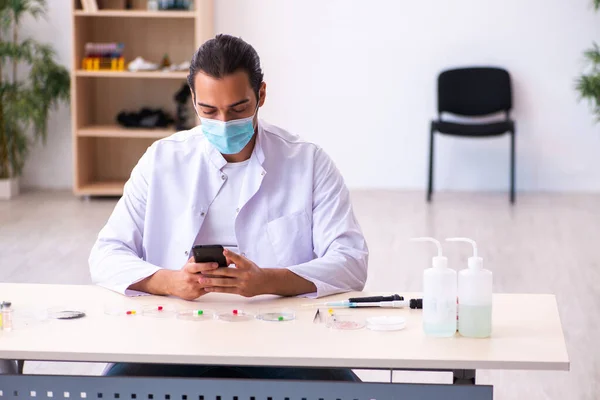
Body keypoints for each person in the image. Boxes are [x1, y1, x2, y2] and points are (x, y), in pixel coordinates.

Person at [89, 34, 368, 381]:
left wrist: (268, 280)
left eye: (238, 109)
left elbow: (351, 260)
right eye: (208, 110)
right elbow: (106, 255)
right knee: (115, 387)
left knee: (341, 389)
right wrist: (170, 282)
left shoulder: (308, 162)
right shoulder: (162, 160)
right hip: (175, 336)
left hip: (282, 337)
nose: (223, 123)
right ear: (193, 99)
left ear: (261, 95)